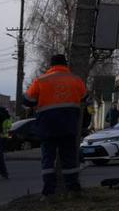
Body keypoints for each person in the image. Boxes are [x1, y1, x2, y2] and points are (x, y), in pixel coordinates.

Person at [22, 54, 88, 198]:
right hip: (69, 126)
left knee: (48, 159)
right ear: (65, 65)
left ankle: (48, 192)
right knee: (69, 159)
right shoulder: (76, 80)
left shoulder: (41, 80)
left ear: (51, 66)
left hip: (47, 127)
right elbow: (84, 97)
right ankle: (73, 189)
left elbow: (27, 100)